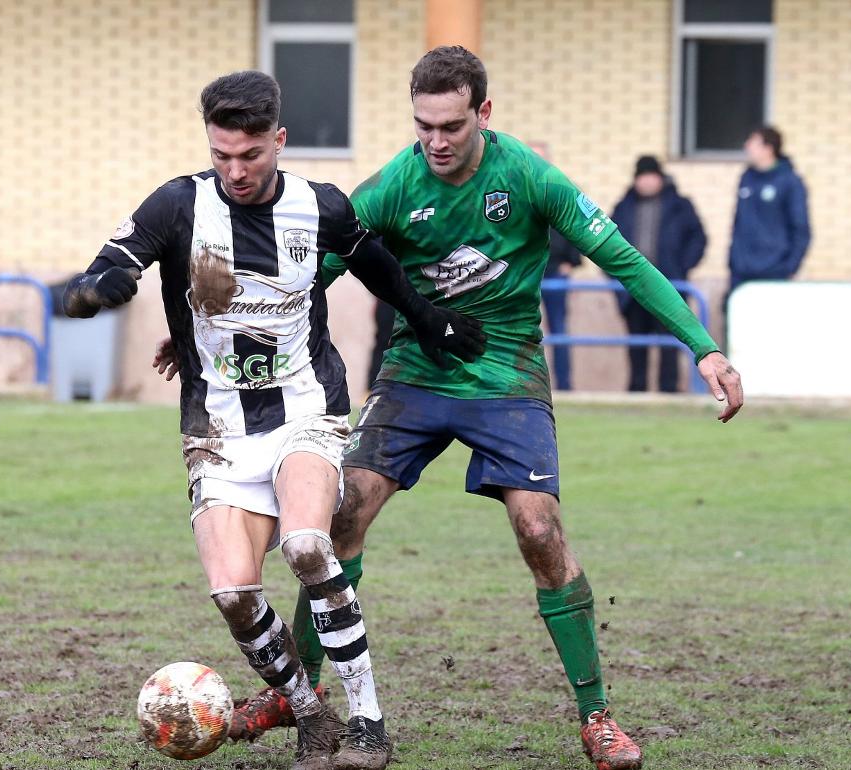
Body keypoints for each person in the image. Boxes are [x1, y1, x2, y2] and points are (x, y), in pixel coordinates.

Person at [211, 46, 744, 770]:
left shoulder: (526, 176)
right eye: (424, 125)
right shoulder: (393, 187)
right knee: (342, 516)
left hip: (507, 375)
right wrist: (222, 336)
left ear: (482, 114)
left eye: (451, 126)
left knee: (539, 530)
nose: (435, 140)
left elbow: (621, 258)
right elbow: (310, 273)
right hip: (414, 373)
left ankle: (597, 717)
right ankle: (293, 693)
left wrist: (702, 346)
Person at [65, 70, 485, 770]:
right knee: (233, 592)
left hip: (306, 408)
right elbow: (115, 264)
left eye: (250, 155)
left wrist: (428, 317)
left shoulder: (319, 205)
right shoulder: (177, 204)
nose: (236, 170)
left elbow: (377, 265)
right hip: (217, 428)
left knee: (307, 547)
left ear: (279, 141)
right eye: (222, 155)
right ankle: (309, 714)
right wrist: (96, 289)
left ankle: (367, 722)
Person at [611, 155, 707, 392]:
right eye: (641, 177)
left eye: (651, 176)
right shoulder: (624, 207)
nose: (646, 182)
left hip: (670, 286)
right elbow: (605, 243)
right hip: (633, 289)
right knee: (636, 344)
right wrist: (616, 276)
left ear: (660, 178)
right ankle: (637, 390)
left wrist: (682, 267)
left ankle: (669, 390)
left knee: (669, 343)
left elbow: (698, 239)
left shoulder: (680, 205)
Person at [728, 126, 811, 294]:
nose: (747, 147)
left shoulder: (790, 182)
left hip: (774, 272)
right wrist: (734, 260)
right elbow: (739, 223)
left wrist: (790, 267)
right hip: (742, 271)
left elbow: (801, 228)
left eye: (753, 143)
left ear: (768, 148)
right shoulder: (746, 178)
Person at [528, 142, 581, 391]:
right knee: (522, 331)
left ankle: (565, 385)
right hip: (524, 272)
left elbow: (577, 227)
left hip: (556, 271)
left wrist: (572, 261)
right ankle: (523, 384)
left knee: (559, 331)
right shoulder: (512, 191)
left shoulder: (559, 190)